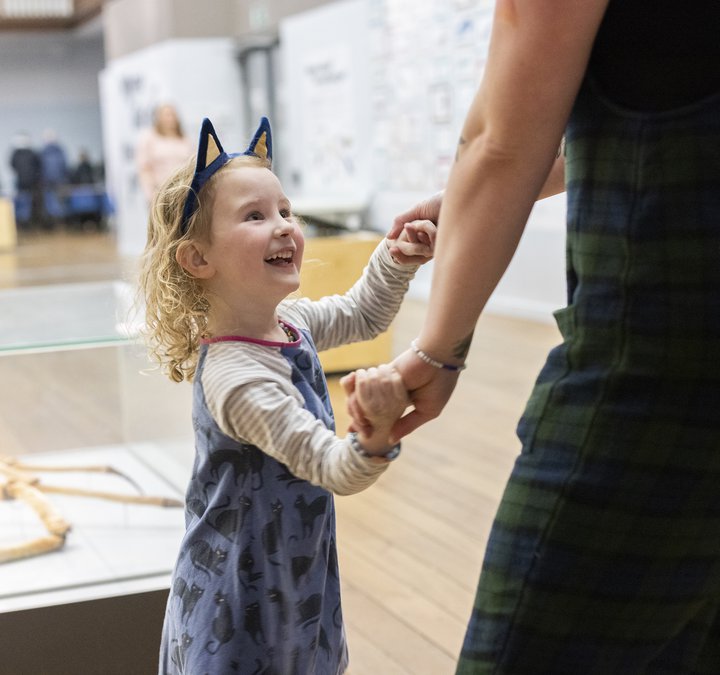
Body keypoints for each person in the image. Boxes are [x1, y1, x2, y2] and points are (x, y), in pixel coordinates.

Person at [346, 1, 720, 673]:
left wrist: (439, 348)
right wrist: (465, 199)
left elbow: (504, 141)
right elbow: (662, 91)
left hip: (659, 373)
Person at [138, 116, 436, 674]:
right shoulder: (237, 377)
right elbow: (332, 467)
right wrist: (371, 434)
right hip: (238, 595)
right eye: (254, 216)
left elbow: (359, 313)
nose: (282, 227)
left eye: (284, 211)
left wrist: (394, 258)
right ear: (198, 259)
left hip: (293, 572)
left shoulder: (288, 323)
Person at [136, 103, 193, 204]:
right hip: (159, 194)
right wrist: (150, 195)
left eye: (172, 115)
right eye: (167, 115)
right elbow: (144, 169)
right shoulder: (149, 138)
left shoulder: (184, 139)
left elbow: (192, 165)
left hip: (183, 193)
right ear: (158, 118)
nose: (170, 118)